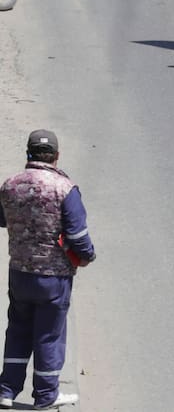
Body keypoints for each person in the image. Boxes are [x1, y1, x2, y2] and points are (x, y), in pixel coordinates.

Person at [0, 130, 95, 409]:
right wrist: (87, 255)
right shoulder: (64, 188)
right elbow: (77, 234)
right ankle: (45, 396)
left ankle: (5, 391)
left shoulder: (9, 185)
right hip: (53, 278)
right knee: (49, 335)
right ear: (56, 155)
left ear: (28, 153)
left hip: (19, 273)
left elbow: (3, 219)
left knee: (17, 329)